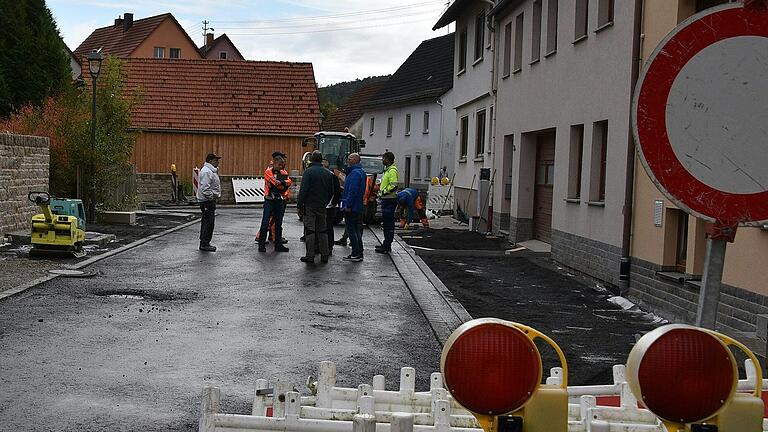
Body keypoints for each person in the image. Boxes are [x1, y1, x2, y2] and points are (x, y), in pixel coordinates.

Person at [297, 151, 335, 264]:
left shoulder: (308, 172)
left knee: (310, 231)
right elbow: (331, 191)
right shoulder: (328, 173)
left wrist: (300, 205)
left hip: (310, 206)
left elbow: (303, 190)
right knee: (322, 231)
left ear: (312, 159)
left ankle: (310, 255)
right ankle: (324, 255)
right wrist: (325, 202)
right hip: (322, 206)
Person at [257, 152, 292, 253]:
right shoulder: (268, 171)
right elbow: (273, 182)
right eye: (279, 165)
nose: (281, 167)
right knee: (265, 222)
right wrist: (282, 183)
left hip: (279, 200)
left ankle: (278, 245)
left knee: (278, 223)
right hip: (269, 200)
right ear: (275, 163)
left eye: (282, 165)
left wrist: (282, 183)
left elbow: (288, 182)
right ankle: (261, 245)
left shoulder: (283, 172)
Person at [340, 153, 366, 262]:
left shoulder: (354, 174)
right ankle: (359, 252)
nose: (348, 160)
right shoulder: (360, 172)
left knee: (352, 230)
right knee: (356, 230)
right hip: (357, 206)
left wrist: (348, 205)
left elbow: (352, 191)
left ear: (355, 160)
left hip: (352, 207)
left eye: (350, 159)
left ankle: (356, 253)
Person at [197, 153, 222, 252]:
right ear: (210, 161)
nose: (218, 162)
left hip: (208, 200)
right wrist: (211, 197)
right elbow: (205, 188)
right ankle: (204, 243)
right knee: (208, 222)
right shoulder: (207, 172)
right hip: (207, 201)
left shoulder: (210, 171)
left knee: (208, 222)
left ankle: (205, 242)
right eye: (216, 160)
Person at [376, 151, 399, 254]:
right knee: (386, 223)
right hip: (386, 199)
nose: (382, 160)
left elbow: (394, 185)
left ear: (388, 160)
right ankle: (386, 243)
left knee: (388, 224)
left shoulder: (392, 171)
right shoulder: (387, 170)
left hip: (389, 199)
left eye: (383, 158)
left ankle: (387, 245)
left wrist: (384, 192)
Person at [323, 159, 342, 255]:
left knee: (328, 227)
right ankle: (327, 246)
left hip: (329, 206)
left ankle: (328, 246)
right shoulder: (332, 176)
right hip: (329, 205)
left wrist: (333, 203)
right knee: (328, 227)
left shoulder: (332, 177)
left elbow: (337, 192)